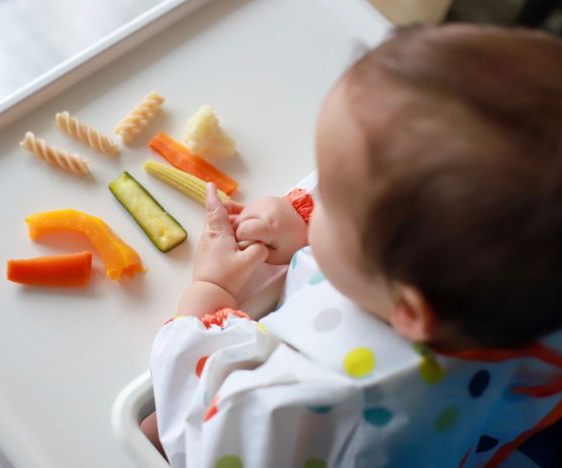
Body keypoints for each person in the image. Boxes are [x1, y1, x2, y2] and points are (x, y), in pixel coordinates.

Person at [141, 24, 562, 467]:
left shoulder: (323, 401)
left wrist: (211, 291)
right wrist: (302, 227)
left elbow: (197, 433)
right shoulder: (519, 288)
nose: (316, 200)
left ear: (410, 309)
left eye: (332, 205)